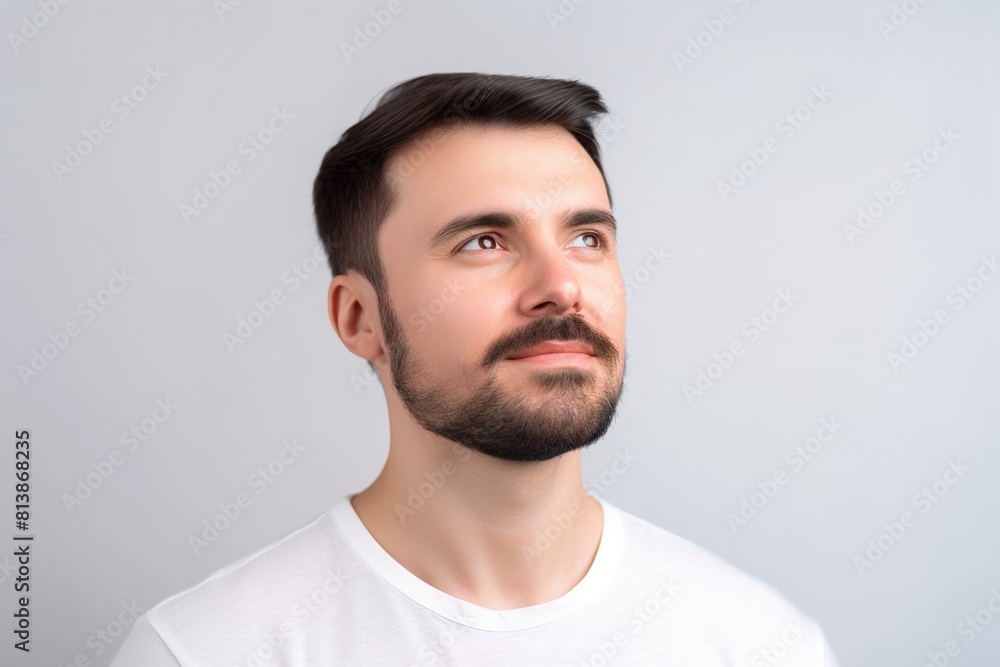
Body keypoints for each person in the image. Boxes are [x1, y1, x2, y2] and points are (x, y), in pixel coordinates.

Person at [111, 72, 840, 665]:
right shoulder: (204, 651)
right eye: (484, 242)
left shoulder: (759, 646)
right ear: (359, 318)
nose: (562, 286)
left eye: (587, 237)